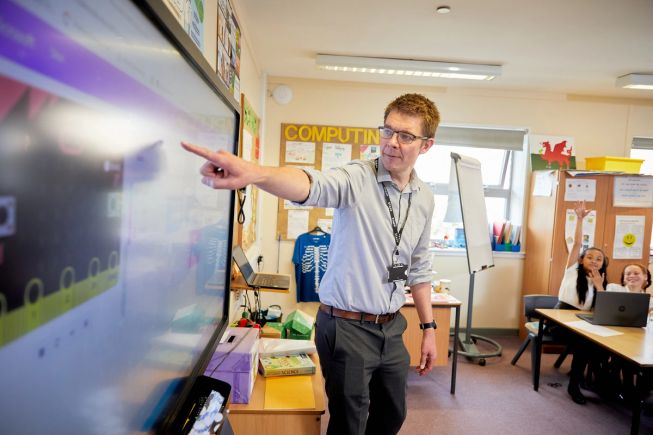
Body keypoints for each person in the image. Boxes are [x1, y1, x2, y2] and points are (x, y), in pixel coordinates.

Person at [181, 93, 440, 435]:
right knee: (350, 423)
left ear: (426, 145)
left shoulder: (424, 198)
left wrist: (429, 329)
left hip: (392, 328)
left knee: (392, 416)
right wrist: (256, 174)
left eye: (405, 135)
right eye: (387, 130)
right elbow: (310, 184)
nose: (391, 142)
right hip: (346, 327)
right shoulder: (357, 179)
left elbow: (418, 267)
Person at [555, 201, 609, 404]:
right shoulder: (571, 272)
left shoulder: (599, 282)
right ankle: (574, 385)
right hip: (560, 319)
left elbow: (604, 310)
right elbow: (577, 244)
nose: (594, 261)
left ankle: (596, 381)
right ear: (581, 260)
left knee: (596, 342)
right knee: (584, 343)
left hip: (583, 322)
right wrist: (579, 220)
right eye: (590, 257)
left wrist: (599, 286)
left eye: (599, 259)